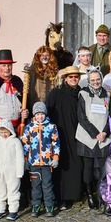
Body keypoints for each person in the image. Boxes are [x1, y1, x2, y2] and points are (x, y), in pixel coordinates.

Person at [46, 66, 84, 210]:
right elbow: (47, 110)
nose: (74, 79)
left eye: (76, 77)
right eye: (71, 77)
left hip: (77, 133)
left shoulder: (81, 94)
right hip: (60, 133)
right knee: (61, 165)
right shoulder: (56, 92)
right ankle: (59, 197)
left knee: (75, 164)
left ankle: (72, 195)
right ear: (65, 78)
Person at [75, 68, 111, 209]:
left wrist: (105, 132)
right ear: (89, 81)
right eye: (93, 80)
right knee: (88, 168)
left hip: (103, 138)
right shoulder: (83, 94)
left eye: (98, 79)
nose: (96, 82)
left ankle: (103, 194)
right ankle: (90, 195)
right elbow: (82, 117)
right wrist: (95, 133)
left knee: (104, 168)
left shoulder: (107, 95)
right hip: (87, 137)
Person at [21, 102, 60, 218]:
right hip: (34, 162)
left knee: (47, 185)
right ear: (34, 115)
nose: (40, 116)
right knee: (35, 186)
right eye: (37, 114)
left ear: (45, 114)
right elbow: (25, 144)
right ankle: (36, 206)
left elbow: (56, 143)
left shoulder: (51, 127)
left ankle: (49, 206)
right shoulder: (29, 127)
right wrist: (25, 159)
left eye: (42, 114)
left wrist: (55, 157)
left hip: (47, 162)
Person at [0, 120, 25, 220]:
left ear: (10, 131)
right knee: (0, 190)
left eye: (5, 132)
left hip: (13, 171)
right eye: (1, 132)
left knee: (13, 190)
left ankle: (13, 211)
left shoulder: (16, 141)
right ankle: (0, 210)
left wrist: (20, 171)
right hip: (0, 171)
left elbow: (20, 157)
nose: (3, 134)